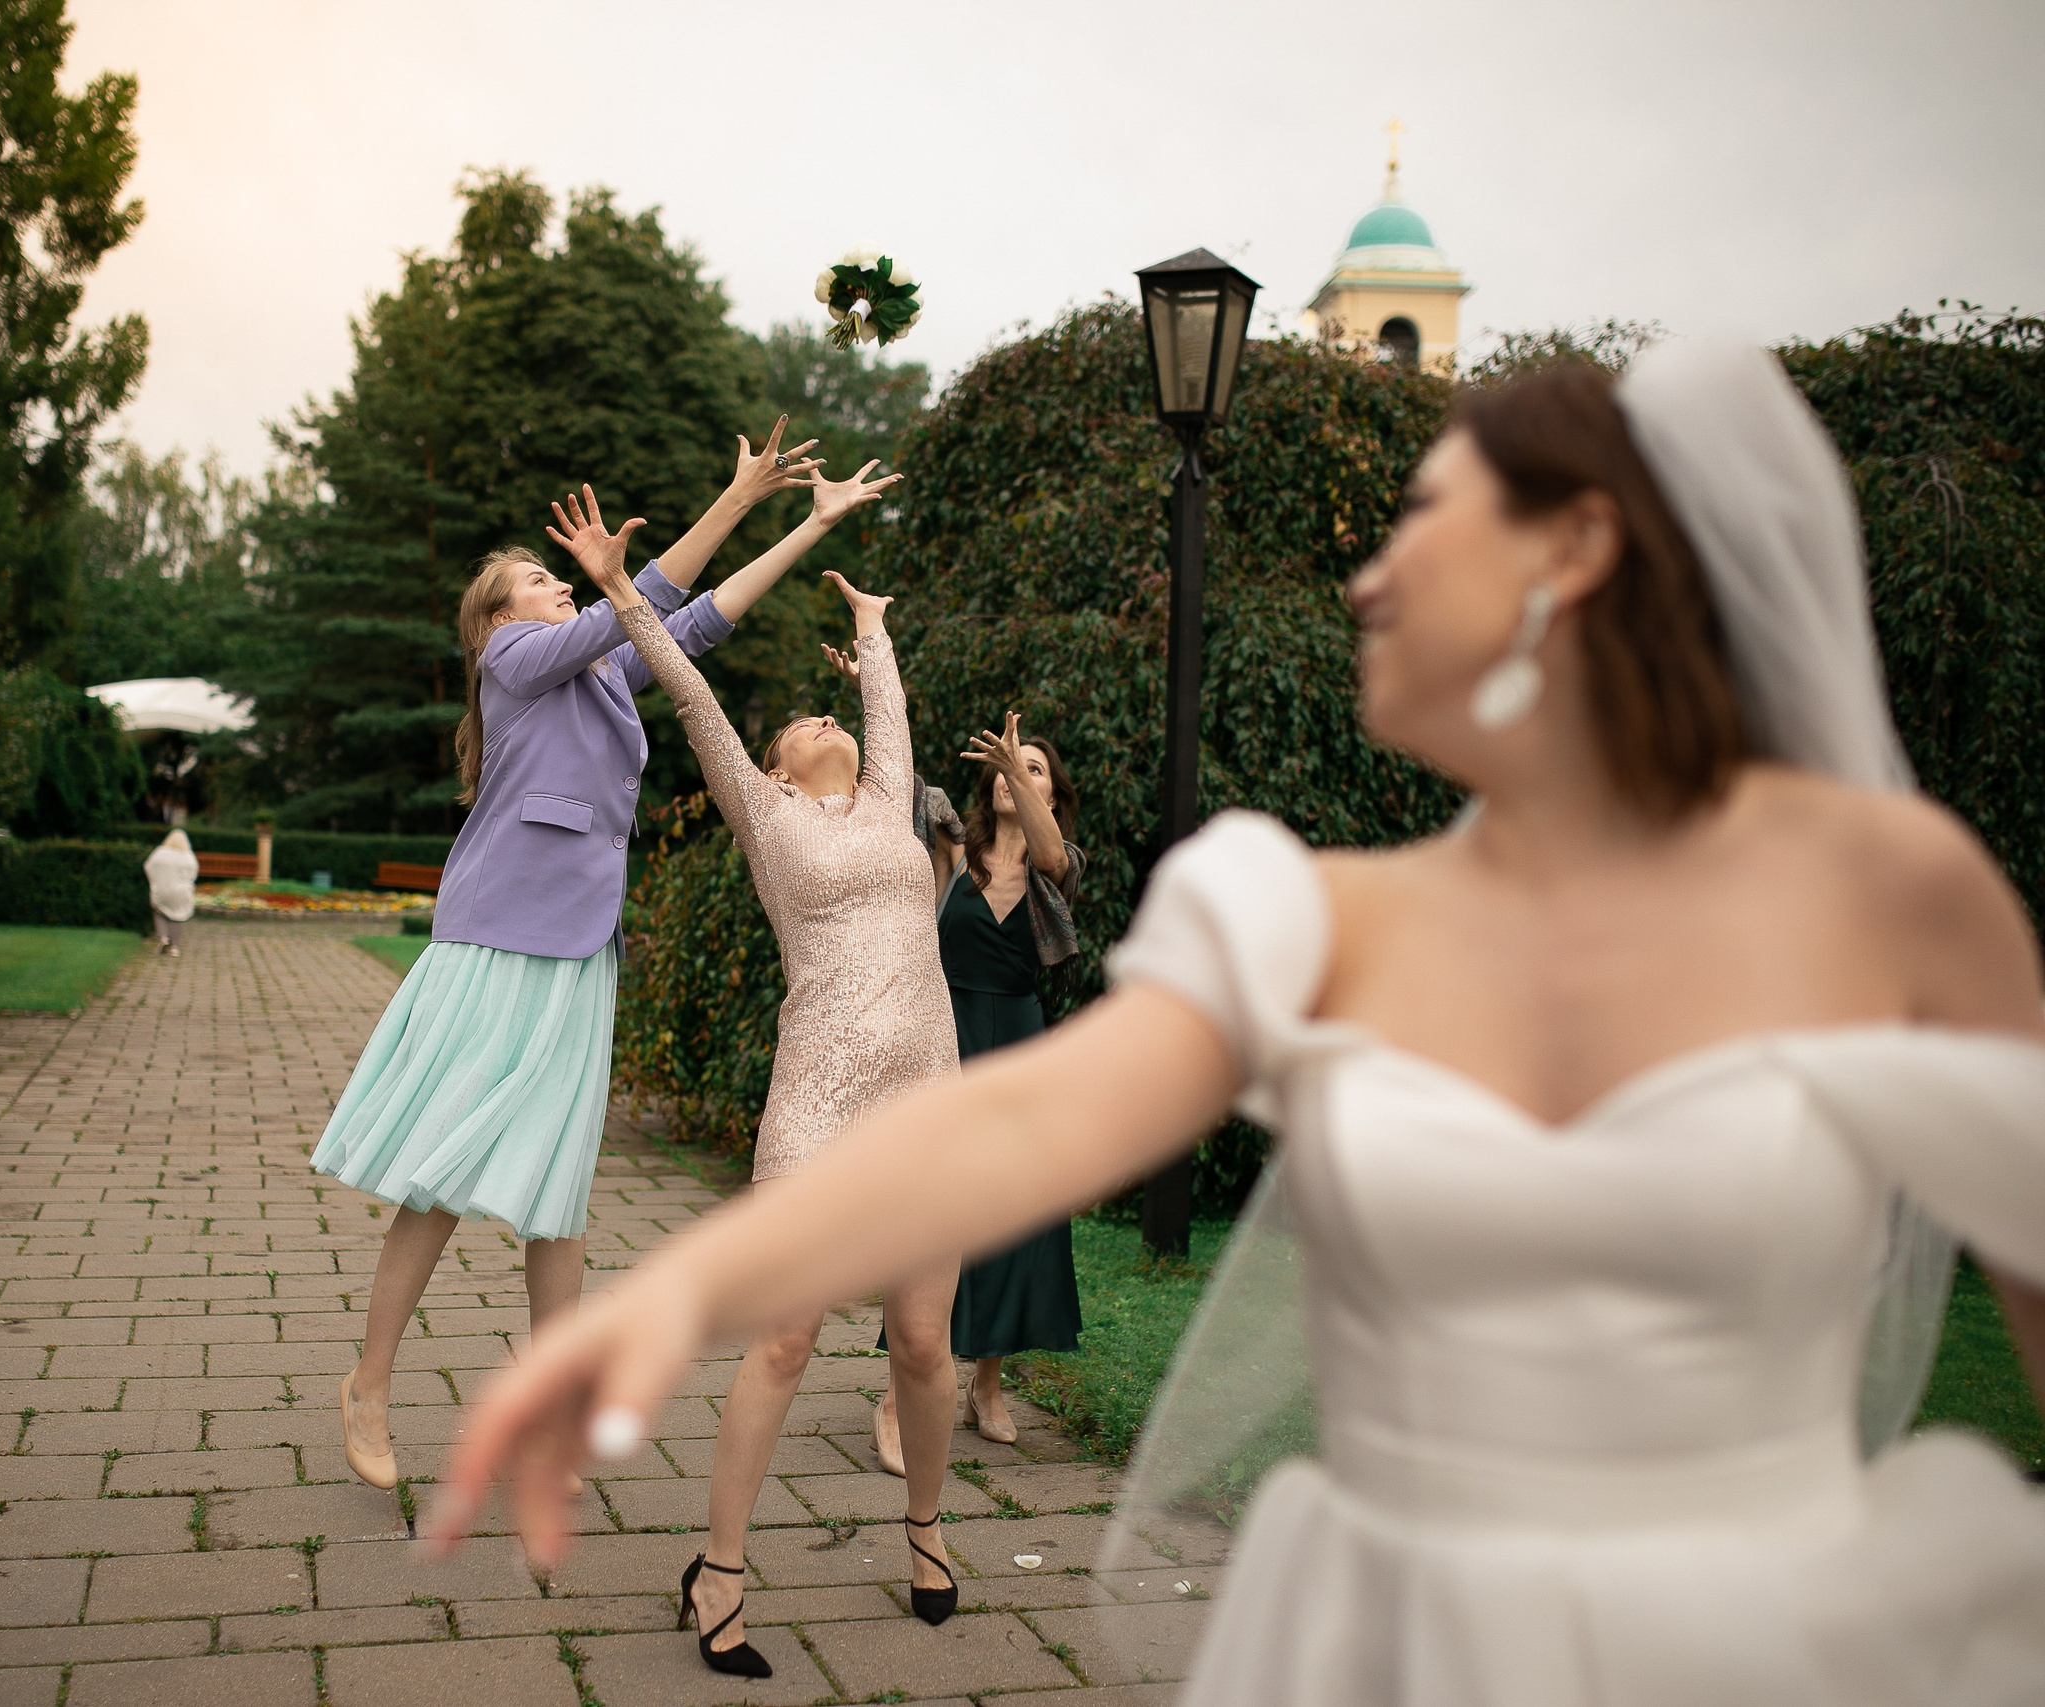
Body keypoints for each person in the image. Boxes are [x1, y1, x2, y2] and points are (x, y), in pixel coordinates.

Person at [436, 348, 2045, 1705]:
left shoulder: (1899, 893)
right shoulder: (1307, 910)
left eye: (1422, 520)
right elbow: (1021, 1123)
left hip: (1791, 1644)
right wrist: (683, 1291)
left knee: (926, 1338)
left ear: (1577, 550)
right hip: (1414, 1642)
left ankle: (926, 1515)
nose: (1365, 571)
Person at [315, 423, 892, 1498]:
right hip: (494, 946)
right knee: (439, 1182)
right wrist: (633, 571)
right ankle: (369, 1383)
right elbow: (637, 601)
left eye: (552, 578)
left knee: (557, 1202)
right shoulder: (515, 663)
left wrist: (789, 518)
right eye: (533, 580)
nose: (552, 587)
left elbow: (698, 617)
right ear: (493, 621)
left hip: (578, 956)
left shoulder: (601, 676)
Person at [548, 488, 960, 1678]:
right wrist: (620, 590)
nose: (823, 716)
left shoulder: (890, 800)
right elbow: (684, 688)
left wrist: (872, 626)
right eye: (803, 719)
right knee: (785, 1339)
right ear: (772, 768)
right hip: (818, 1105)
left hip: (927, 1096)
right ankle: (718, 1571)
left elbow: (887, 708)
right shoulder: (763, 812)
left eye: (833, 708)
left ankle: (926, 1535)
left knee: (923, 1344)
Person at [868, 715, 1085, 1471]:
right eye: (1002, 762)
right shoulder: (954, 851)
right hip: (947, 1035)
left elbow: (1052, 852)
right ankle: (900, 1394)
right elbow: (895, 786)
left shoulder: (1060, 866)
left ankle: (987, 1384)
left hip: (1022, 1045)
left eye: (1031, 766)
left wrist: (1024, 781)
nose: (1011, 771)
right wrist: (868, 688)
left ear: (1050, 791)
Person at [143, 828, 199, 957]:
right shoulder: (187, 856)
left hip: (162, 889)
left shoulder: (160, 853)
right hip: (181, 891)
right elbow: (193, 873)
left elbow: (148, 867)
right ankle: (175, 947)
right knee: (178, 916)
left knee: (159, 912)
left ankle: (163, 937)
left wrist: (155, 881)